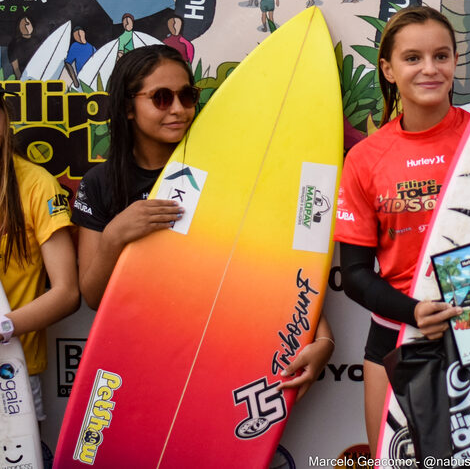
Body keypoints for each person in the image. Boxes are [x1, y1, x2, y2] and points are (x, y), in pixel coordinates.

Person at [72, 45, 333, 391]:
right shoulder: (100, 183)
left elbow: (276, 263)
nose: (179, 109)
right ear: (127, 107)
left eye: (187, 96)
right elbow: (92, 297)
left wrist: (323, 338)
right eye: (162, 98)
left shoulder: (230, 173)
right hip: (137, 356)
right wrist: (114, 236)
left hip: (222, 346)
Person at [335, 6, 468, 457]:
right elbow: (353, 274)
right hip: (395, 338)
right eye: (413, 58)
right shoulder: (365, 158)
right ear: (389, 70)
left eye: (442, 55)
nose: (430, 68)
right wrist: (413, 312)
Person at [0, 87, 79, 423]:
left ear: (5, 120)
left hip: (11, 371)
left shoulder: (37, 185)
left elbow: (67, 293)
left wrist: (3, 327)